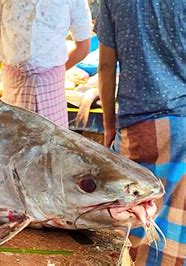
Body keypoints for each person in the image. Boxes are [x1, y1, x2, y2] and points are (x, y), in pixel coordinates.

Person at [95, 0, 185, 264]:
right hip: (182, 123)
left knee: (137, 220)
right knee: (178, 223)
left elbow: (106, 67)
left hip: (138, 129)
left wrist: (109, 124)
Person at [0, 0, 92, 127]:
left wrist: (50, 73)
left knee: (53, 143)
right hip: (14, 85)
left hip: (52, 86)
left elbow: (83, 47)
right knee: (12, 140)